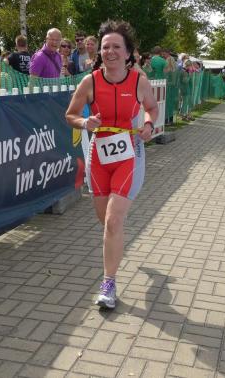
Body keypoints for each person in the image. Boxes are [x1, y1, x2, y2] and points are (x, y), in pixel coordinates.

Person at [65, 20, 159, 309]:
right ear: (99, 52)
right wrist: (85, 122)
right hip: (99, 156)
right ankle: (116, 240)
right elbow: (70, 115)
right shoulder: (90, 82)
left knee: (113, 220)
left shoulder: (139, 81)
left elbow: (151, 108)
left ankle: (108, 283)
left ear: (128, 52)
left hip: (128, 155)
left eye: (117, 46)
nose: (110, 51)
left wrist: (148, 124)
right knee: (105, 220)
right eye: (106, 47)